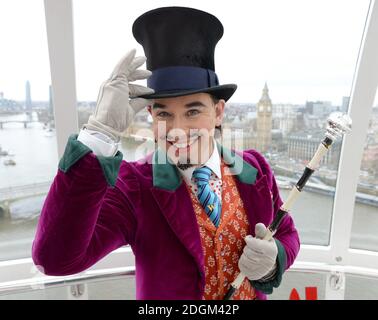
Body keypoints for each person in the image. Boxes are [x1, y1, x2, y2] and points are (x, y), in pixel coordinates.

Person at [32, 6, 299, 300]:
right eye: (164, 114)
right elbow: (55, 259)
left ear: (219, 111)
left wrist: (275, 259)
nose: (177, 129)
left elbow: (286, 232)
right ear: (150, 114)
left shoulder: (255, 168)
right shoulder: (133, 186)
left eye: (193, 111)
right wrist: (100, 132)